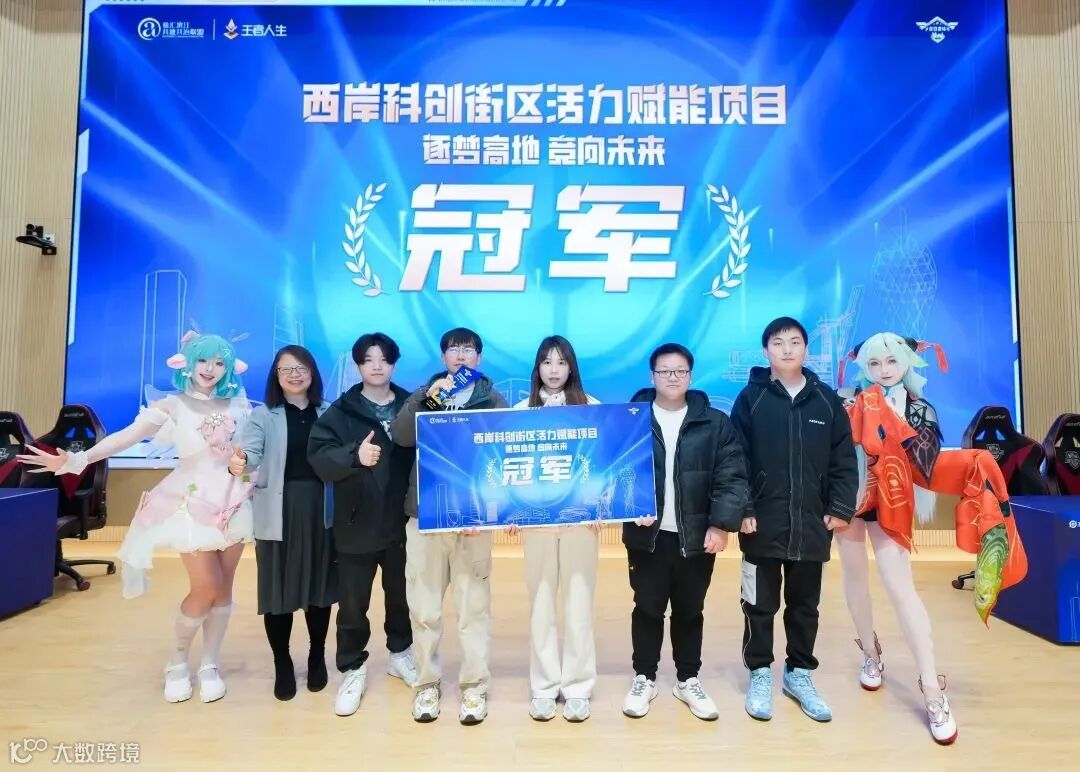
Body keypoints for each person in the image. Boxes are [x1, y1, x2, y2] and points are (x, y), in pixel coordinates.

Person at [20, 332, 254, 704]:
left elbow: (251, 449)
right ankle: (177, 662)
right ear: (188, 363)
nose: (210, 369)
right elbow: (126, 437)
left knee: (224, 589)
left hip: (234, 501)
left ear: (228, 368)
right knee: (206, 587)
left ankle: (210, 664)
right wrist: (77, 459)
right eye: (203, 360)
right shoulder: (172, 405)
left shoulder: (238, 405)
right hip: (191, 502)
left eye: (218, 362)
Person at [836, 332, 1027, 745]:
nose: (884, 370)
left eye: (891, 362)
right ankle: (870, 653)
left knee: (900, 589)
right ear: (864, 367)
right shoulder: (848, 400)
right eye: (874, 364)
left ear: (906, 363)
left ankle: (931, 688)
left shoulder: (920, 407)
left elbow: (923, 464)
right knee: (853, 579)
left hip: (892, 499)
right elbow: (832, 450)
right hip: (849, 497)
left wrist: (885, 419)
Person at [730, 317, 858, 723]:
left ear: (806, 348)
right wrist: (743, 509)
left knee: (805, 606)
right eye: (778, 342)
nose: (786, 349)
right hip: (760, 524)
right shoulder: (750, 399)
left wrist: (840, 507)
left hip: (812, 524)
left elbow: (843, 460)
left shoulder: (826, 400)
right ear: (765, 350)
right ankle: (760, 672)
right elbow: (735, 460)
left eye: (795, 342)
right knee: (758, 603)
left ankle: (799, 673)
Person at [621, 342, 749, 721]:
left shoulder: (715, 422)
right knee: (647, 608)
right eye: (665, 371)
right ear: (652, 376)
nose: (672, 377)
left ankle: (687, 679)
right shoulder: (632, 418)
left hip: (695, 536)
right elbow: (618, 469)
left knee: (690, 610)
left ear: (690, 376)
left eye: (680, 371)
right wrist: (630, 506)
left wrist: (720, 524)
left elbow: (731, 476)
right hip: (647, 536)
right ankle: (644, 677)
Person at [391, 327, 508, 725]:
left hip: (473, 519)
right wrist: (429, 398)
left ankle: (474, 687)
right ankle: (426, 683)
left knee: (473, 608)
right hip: (426, 515)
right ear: (443, 357)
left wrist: (489, 509)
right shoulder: (427, 394)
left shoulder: (493, 400)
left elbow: (502, 458)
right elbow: (401, 436)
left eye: (468, 349)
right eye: (453, 349)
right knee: (424, 608)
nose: (460, 355)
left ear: (479, 358)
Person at [307, 333, 419, 717]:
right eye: (368, 359)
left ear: (394, 364)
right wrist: (354, 455)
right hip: (356, 523)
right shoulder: (342, 410)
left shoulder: (411, 405)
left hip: (402, 523)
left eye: (384, 359)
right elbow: (319, 457)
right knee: (353, 604)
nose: (376, 366)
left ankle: (400, 654)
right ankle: (352, 667)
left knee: (402, 596)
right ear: (358, 365)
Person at [231, 345, 336, 702]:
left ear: (312, 373)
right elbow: (249, 455)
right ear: (276, 376)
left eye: (301, 368)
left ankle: (317, 655)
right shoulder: (263, 416)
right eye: (286, 369)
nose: (294, 374)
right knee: (277, 592)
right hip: (278, 509)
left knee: (320, 588)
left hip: (320, 509)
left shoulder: (329, 412)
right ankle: (282, 663)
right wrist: (239, 462)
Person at [511, 336, 600, 723]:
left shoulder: (592, 407)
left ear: (571, 367)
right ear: (537, 368)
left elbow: (603, 464)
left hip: (581, 523)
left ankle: (578, 687)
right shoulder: (520, 411)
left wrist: (601, 506)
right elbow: (509, 469)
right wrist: (512, 510)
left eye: (561, 362)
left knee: (579, 605)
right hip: (538, 526)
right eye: (547, 362)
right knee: (541, 605)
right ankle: (545, 686)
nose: (553, 369)